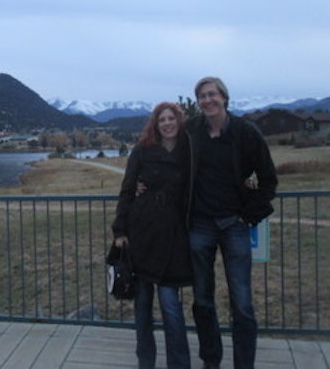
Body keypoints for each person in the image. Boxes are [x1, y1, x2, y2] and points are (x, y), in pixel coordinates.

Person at [187, 77, 278, 369]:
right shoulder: (191, 132)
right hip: (199, 226)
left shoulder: (245, 133)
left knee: (242, 304)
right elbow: (166, 159)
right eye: (202, 96)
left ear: (224, 98)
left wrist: (250, 214)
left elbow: (268, 180)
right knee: (202, 300)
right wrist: (141, 181)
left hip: (234, 225)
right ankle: (210, 361)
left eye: (212, 94)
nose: (207, 100)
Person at [112, 102, 193, 369]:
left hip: (174, 235)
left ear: (179, 121)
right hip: (142, 231)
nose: (167, 123)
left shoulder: (190, 150)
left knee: (171, 307)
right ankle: (145, 362)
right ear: (155, 125)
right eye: (162, 120)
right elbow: (126, 191)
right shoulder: (142, 151)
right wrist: (120, 230)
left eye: (172, 118)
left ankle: (179, 365)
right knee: (143, 306)